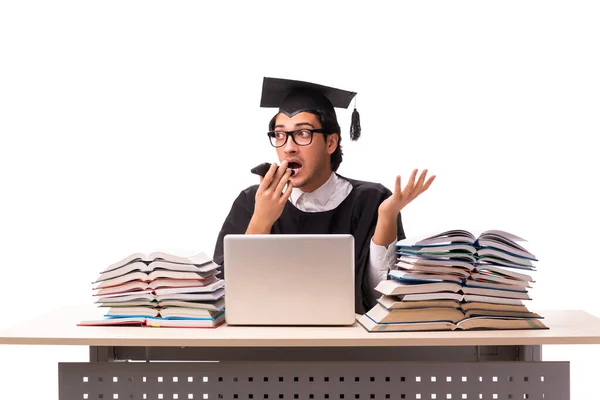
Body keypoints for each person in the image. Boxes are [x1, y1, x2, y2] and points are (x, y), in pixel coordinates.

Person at [213, 77, 435, 314]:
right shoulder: (252, 201)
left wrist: (387, 216)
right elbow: (224, 294)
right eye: (280, 135)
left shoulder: (371, 200)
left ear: (331, 142)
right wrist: (261, 221)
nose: (288, 147)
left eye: (303, 133)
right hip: (265, 338)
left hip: (349, 342)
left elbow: (379, 298)